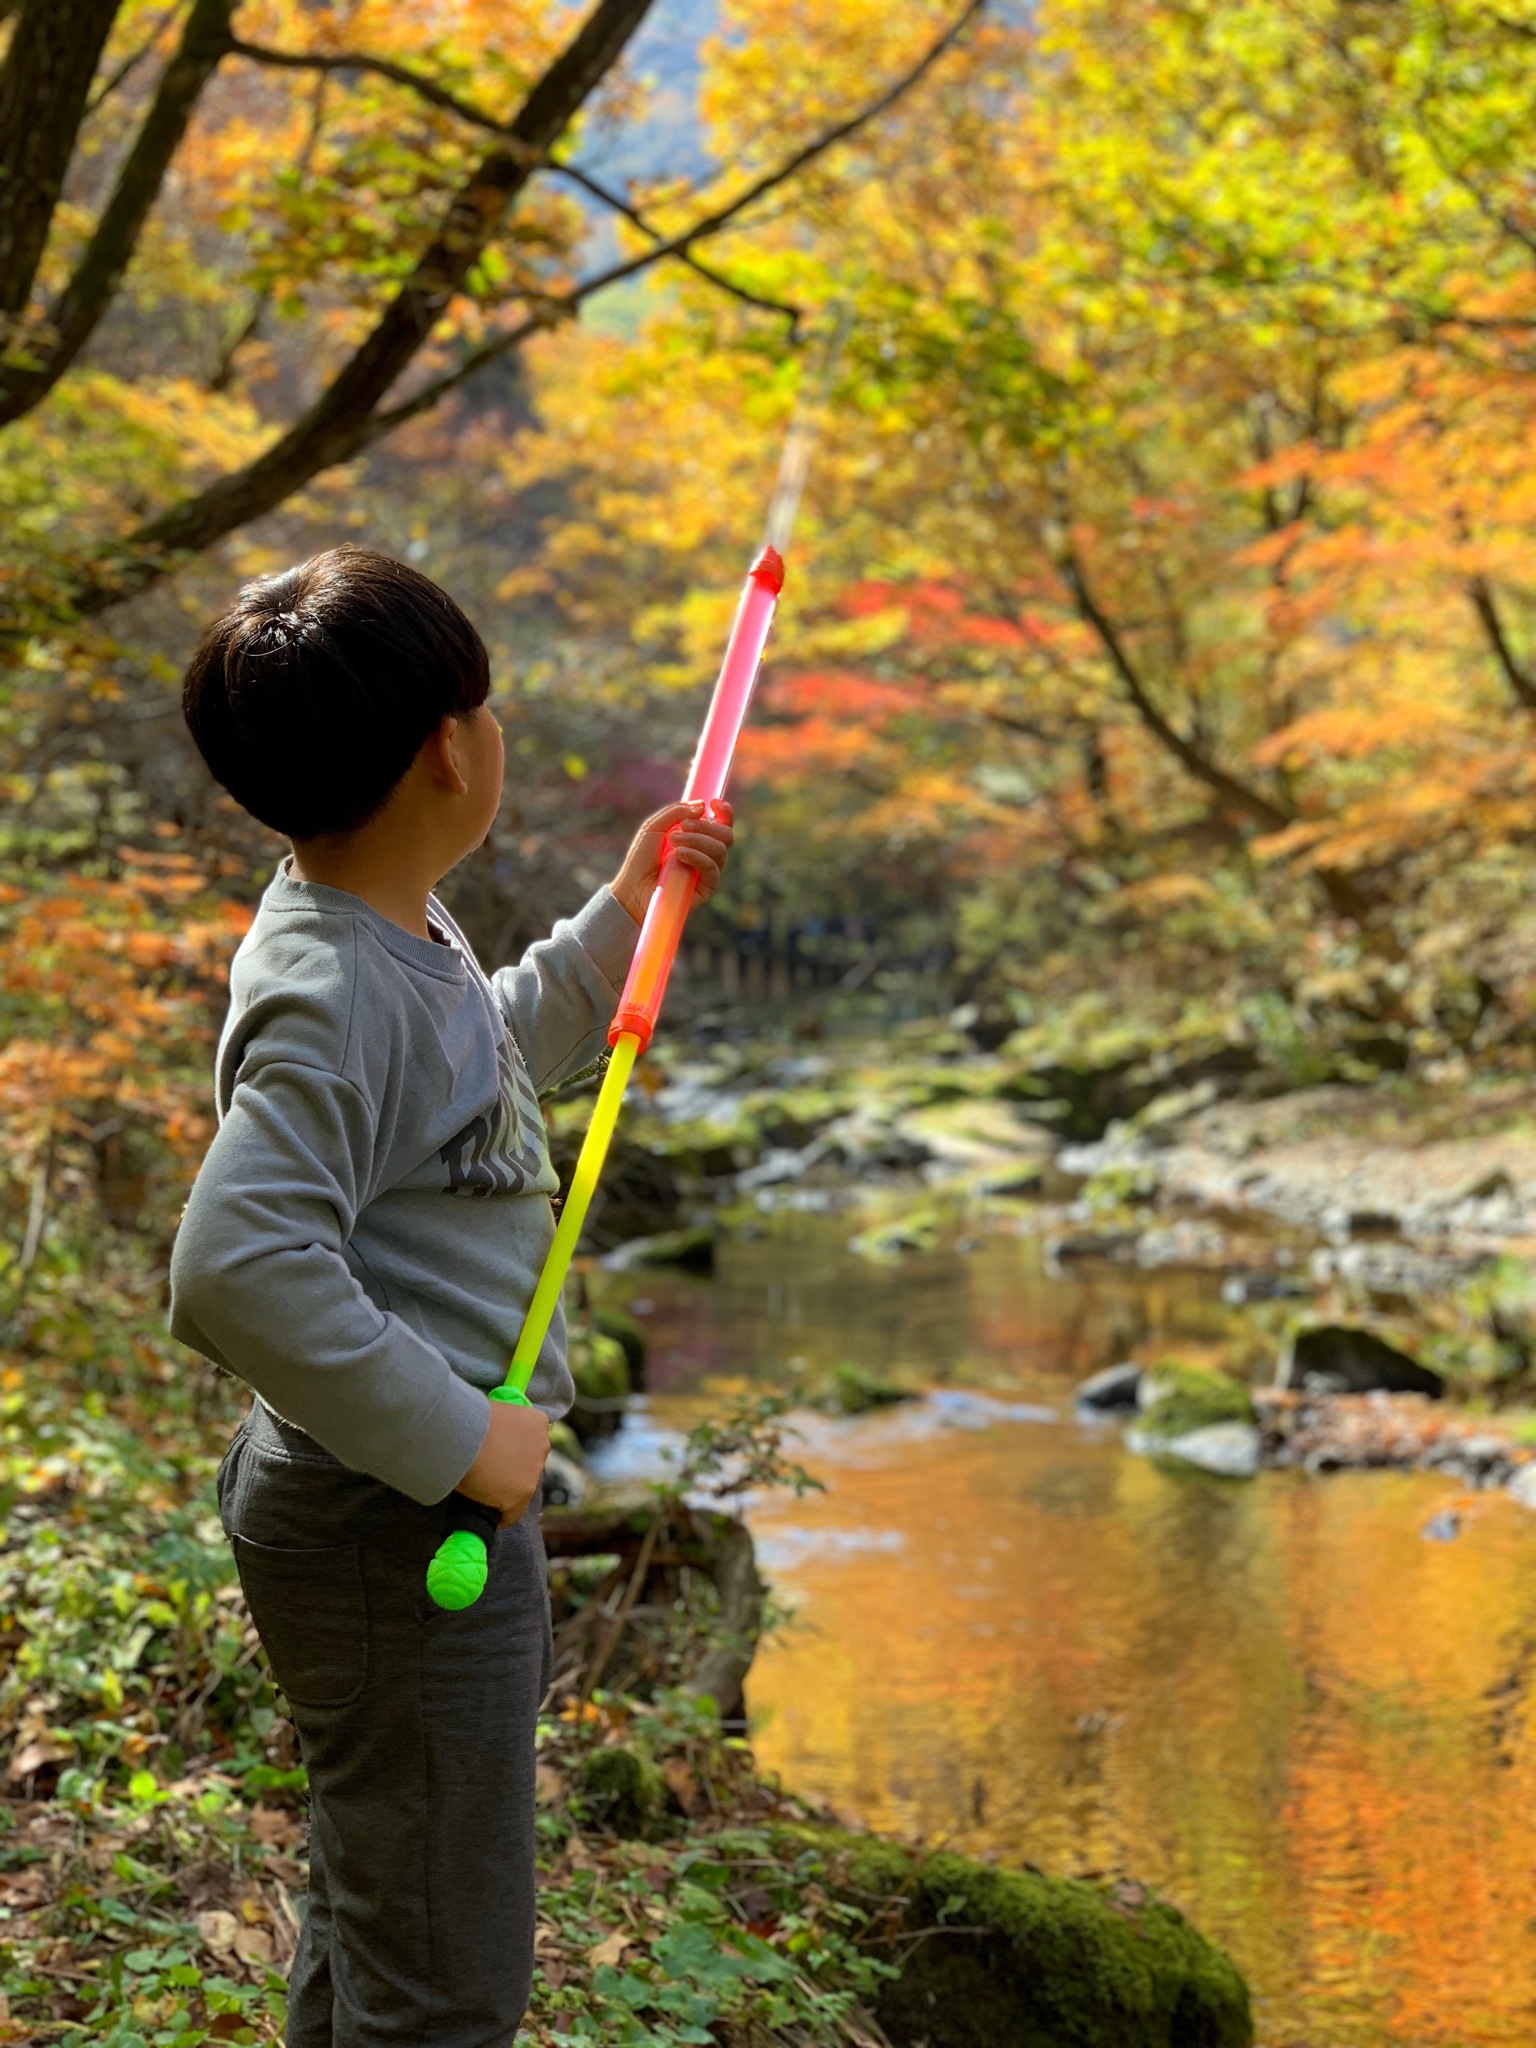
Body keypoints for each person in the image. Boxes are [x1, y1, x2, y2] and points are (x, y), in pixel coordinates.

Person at [168, 545, 733, 2048]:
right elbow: (234, 1264)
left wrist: (623, 912)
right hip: (395, 1529)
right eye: (484, 704)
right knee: (446, 1980)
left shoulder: (386, 930)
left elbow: (478, 1064)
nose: (495, 727)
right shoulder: (337, 987)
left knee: (389, 1912)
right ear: (446, 751)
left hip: (404, 1517)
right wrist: (463, 1444)